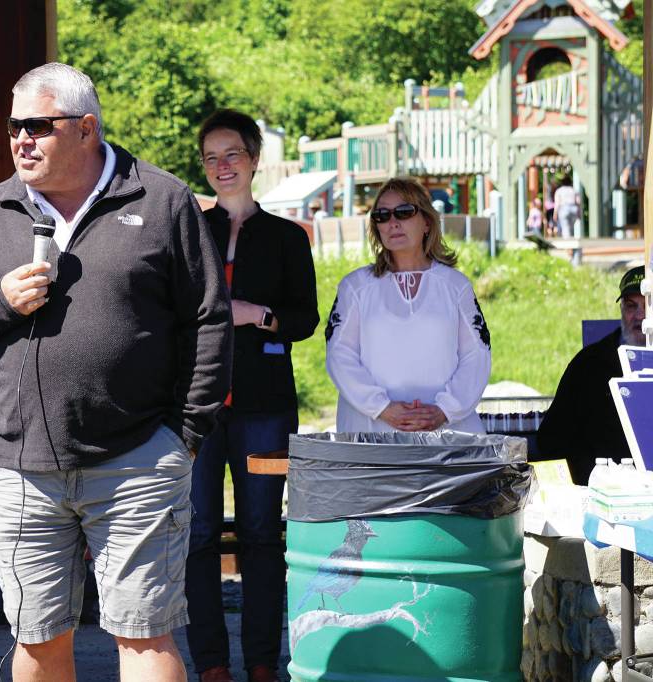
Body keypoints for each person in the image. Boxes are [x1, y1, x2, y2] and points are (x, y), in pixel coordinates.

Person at [0, 63, 232, 682]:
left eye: (37, 126)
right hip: (24, 465)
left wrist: (185, 436)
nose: (20, 140)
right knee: (37, 642)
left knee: (144, 636)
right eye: (14, 127)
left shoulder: (163, 200)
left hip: (140, 460)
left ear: (86, 128)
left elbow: (210, 320)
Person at [185, 109, 318, 682]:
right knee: (197, 533)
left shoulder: (288, 236)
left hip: (266, 409)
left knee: (263, 532)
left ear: (255, 159)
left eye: (232, 154)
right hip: (198, 407)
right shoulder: (189, 230)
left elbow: (304, 319)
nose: (222, 167)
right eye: (211, 158)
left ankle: (262, 660)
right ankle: (211, 663)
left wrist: (254, 315)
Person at [325, 176, 491, 433]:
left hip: (446, 433)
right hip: (371, 432)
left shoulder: (456, 286)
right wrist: (382, 408)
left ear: (426, 221)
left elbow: (476, 355)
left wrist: (444, 410)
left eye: (404, 212)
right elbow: (340, 354)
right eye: (382, 215)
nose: (392, 223)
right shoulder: (354, 287)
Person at [537, 266, 646, 483]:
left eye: (649, 305)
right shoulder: (590, 364)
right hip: (604, 494)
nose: (640, 316)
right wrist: (590, 480)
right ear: (621, 310)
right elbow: (552, 439)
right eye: (631, 306)